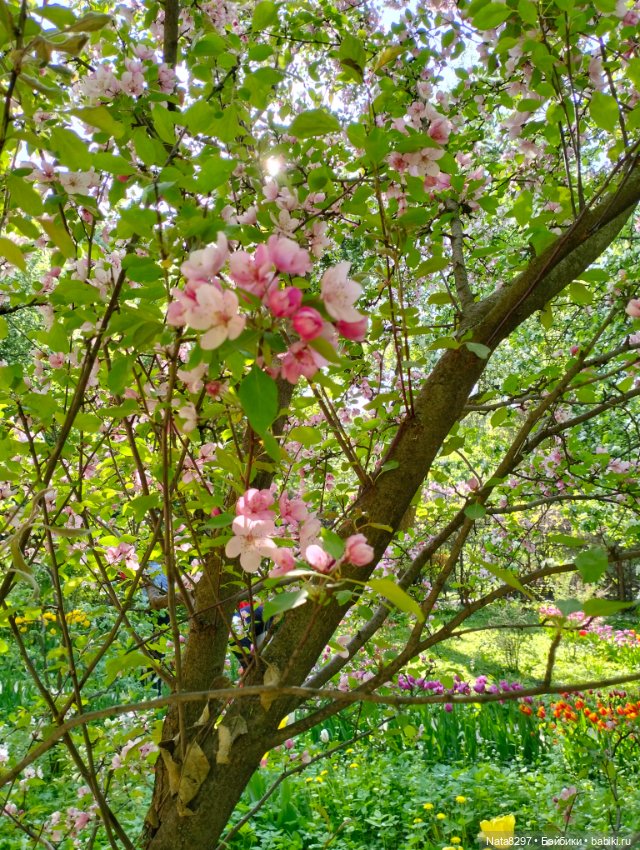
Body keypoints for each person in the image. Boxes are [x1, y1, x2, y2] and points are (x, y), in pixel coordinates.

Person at [230, 600, 273, 672]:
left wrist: (246, 668)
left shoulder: (232, 636)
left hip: (264, 619)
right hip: (257, 622)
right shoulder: (233, 626)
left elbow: (248, 660)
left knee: (264, 660)